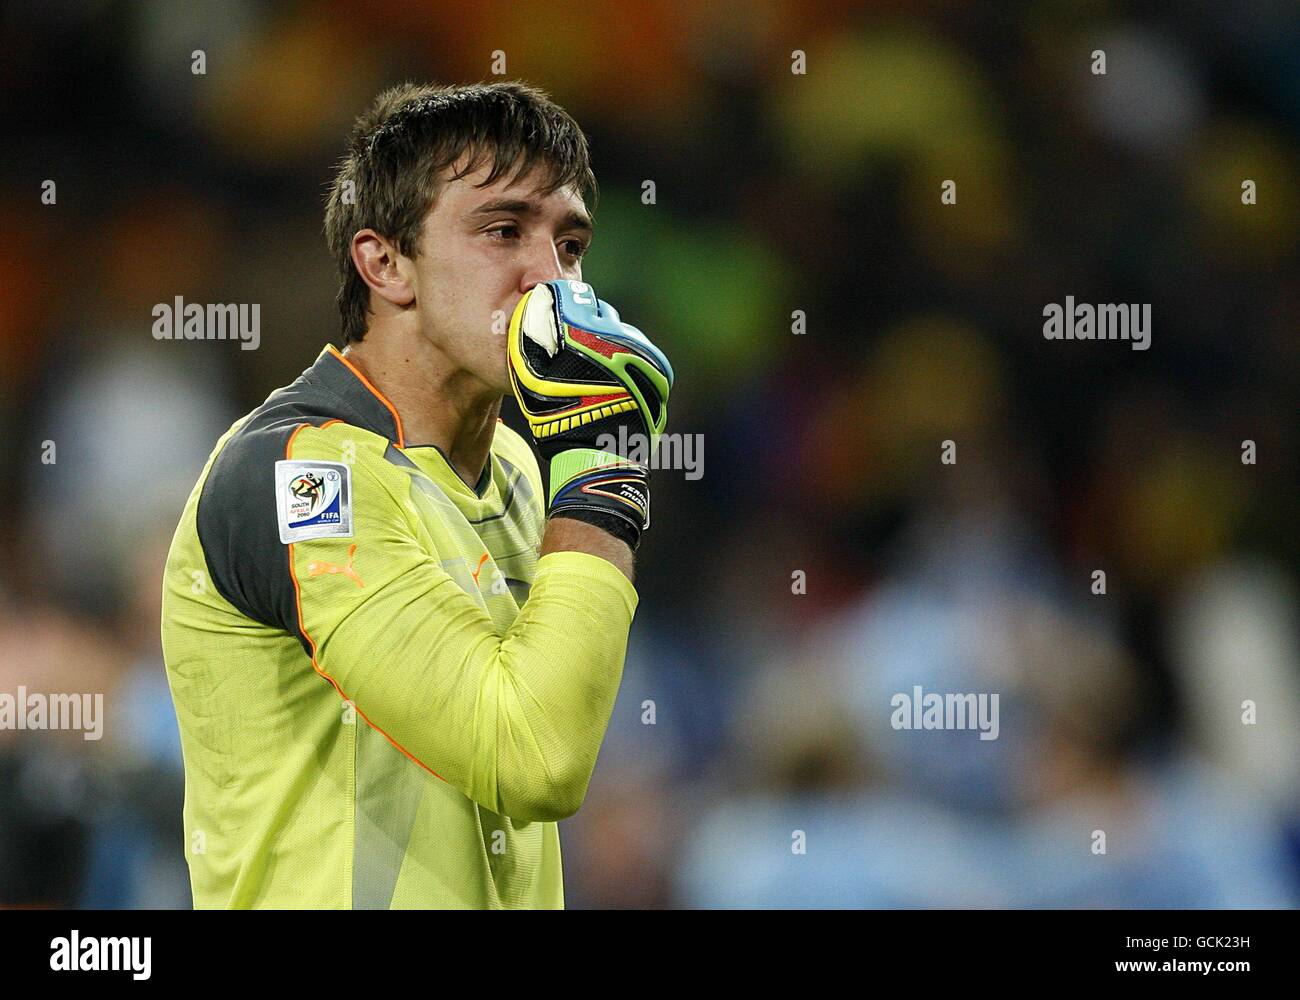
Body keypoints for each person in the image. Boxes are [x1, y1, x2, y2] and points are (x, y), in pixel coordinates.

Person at [160, 81, 673, 909]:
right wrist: (599, 479)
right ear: (385, 262)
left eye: (570, 245)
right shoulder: (298, 474)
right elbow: (532, 757)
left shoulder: (520, 468)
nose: (549, 278)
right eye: (504, 231)